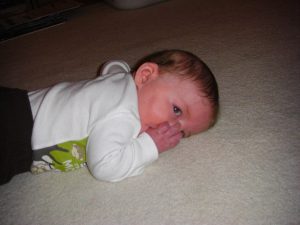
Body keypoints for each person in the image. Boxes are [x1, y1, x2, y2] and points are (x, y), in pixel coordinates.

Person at [0, 49, 219, 185]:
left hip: (20, 104)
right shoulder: (124, 115)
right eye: (177, 110)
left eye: (182, 131)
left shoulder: (124, 85)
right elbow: (104, 166)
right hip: (17, 137)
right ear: (144, 75)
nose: (171, 127)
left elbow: (114, 68)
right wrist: (149, 146)